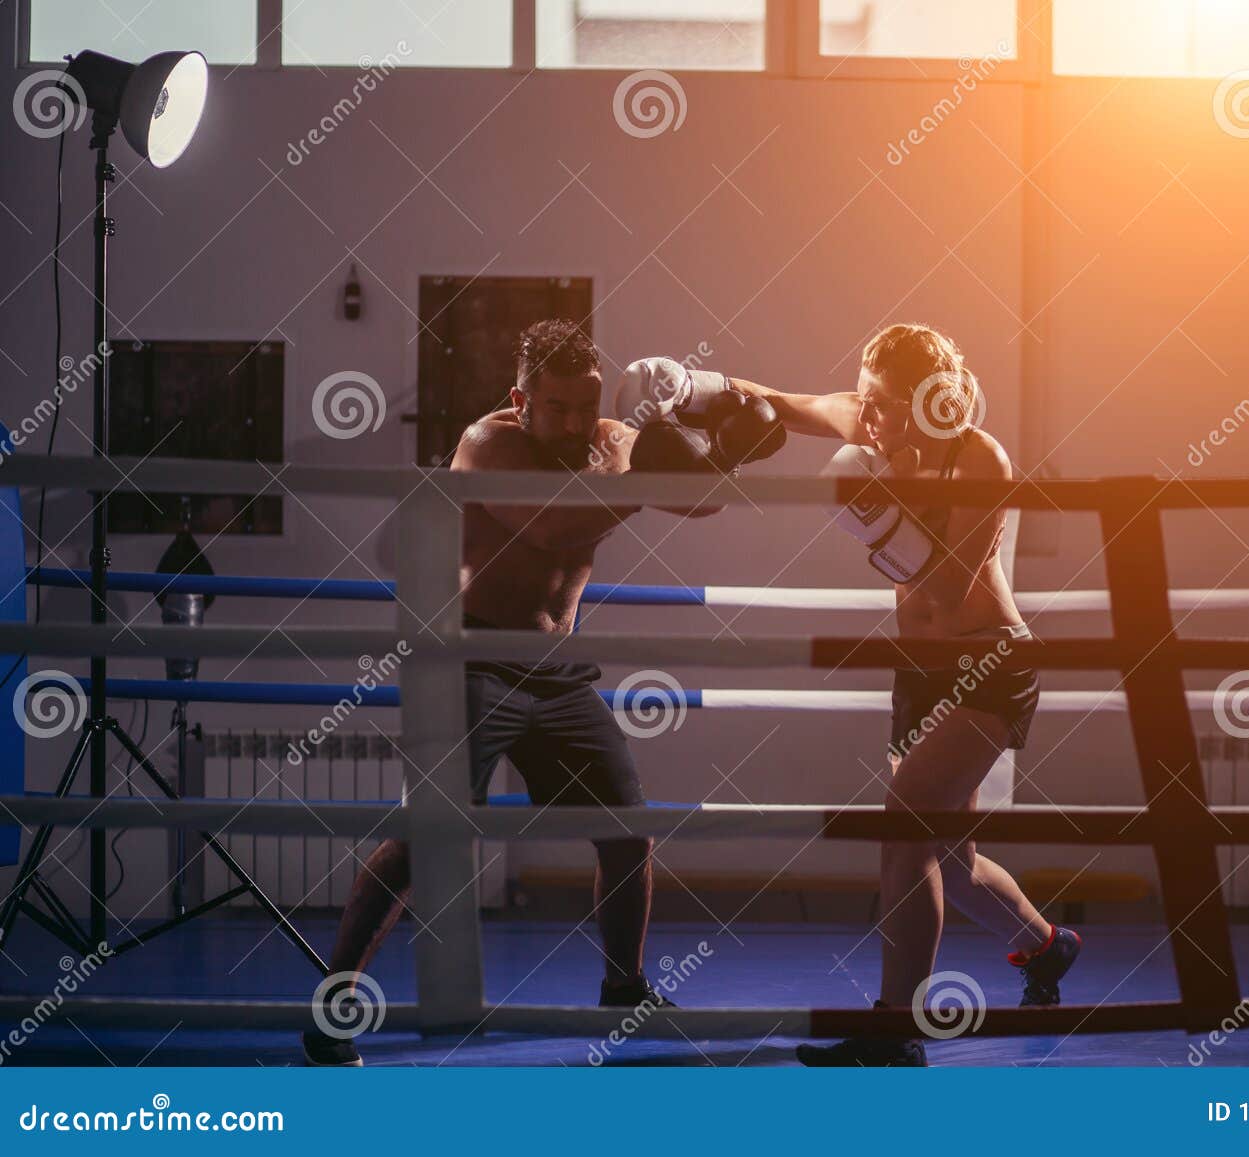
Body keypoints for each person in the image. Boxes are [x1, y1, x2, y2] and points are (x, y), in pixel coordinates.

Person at [302, 320, 782, 1066]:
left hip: (557, 670)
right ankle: (335, 1007)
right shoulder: (485, 443)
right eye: (553, 406)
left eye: (583, 407)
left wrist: (722, 449)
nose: (571, 423)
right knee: (425, 835)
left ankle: (623, 988)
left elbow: (704, 503)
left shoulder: (609, 438)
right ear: (520, 398)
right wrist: (652, 476)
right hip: (474, 657)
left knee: (628, 830)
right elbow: (555, 527)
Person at [663, 323, 1081, 1066]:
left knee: (903, 827)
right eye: (866, 397)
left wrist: (887, 511)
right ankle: (1045, 946)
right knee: (948, 859)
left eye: (885, 402)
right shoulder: (865, 423)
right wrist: (695, 388)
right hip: (919, 670)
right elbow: (781, 404)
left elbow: (951, 587)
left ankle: (897, 1029)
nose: (869, 414)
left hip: (988, 662)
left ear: (934, 402)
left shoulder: (979, 456)